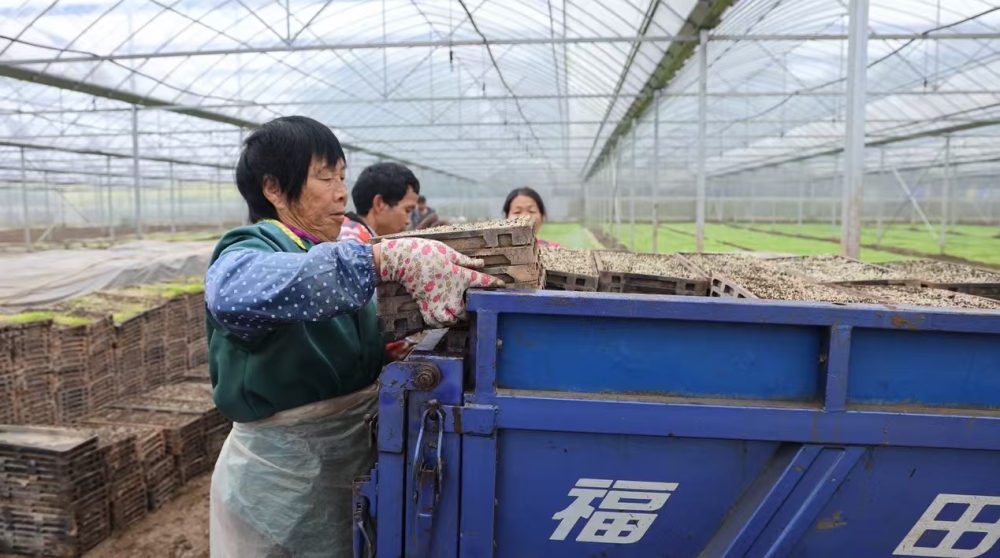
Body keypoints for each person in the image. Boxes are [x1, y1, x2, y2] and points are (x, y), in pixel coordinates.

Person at [204, 116, 501, 558]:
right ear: (273, 188)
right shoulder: (253, 247)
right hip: (279, 487)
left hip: (345, 468)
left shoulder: (327, 254)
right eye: (326, 177)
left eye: (342, 176)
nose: (342, 192)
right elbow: (231, 292)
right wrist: (381, 259)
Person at [339, 162, 419, 244]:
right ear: (379, 204)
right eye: (407, 211)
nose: (408, 221)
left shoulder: (350, 234)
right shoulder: (355, 246)